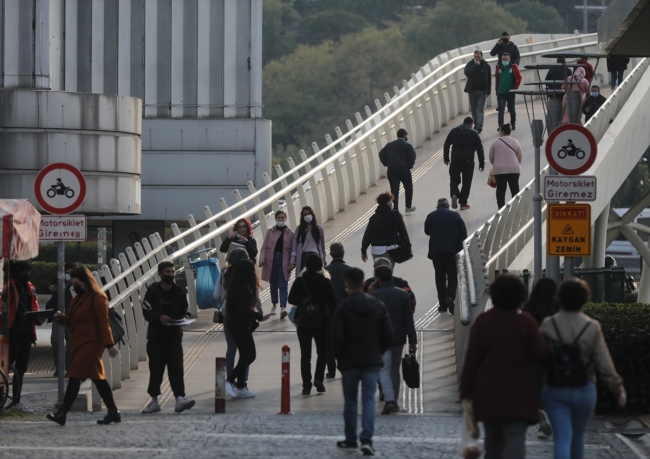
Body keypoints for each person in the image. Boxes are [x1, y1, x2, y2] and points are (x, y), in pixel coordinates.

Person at [460, 274, 549, 459]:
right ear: (520, 295)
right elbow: (540, 355)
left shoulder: (482, 321)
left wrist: (465, 390)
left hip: (488, 389)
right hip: (519, 388)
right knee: (515, 435)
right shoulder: (526, 322)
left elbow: (472, 359)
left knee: (492, 437)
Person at [540, 278, 626, 459]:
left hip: (555, 387)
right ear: (585, 299)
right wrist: (617, 388)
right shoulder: (592, 326)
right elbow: (603, 360)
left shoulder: (549, 324)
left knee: (562, 436)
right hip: (584, 388)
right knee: (578, 437)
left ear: (559, 298)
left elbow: (538, 357)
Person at [331, 268, 394, 456]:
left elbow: (336, 339)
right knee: (368, 400)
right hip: (371, 361)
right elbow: (388, 335)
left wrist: (340, 358)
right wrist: (378, 351)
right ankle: (367, 439)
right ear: (363, 283)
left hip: (349, 362)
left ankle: (351, 439)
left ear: (346, 285)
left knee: (350, 402)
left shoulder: (342, 309)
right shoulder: (377, 305)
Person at [46, 267, 120, 426]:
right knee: (98, 379)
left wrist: (109, 345)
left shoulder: (98, 298)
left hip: (92, 344)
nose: (74, 287)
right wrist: (62, 318)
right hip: (80, 343)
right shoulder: (77, 299)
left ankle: (62, 413)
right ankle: (113, 411)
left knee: (75, 376)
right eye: (73, 284)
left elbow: (103, 323)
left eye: (76, 284)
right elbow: (73, 323)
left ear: (85, 282)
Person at [141, 261, 195, 414]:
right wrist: (158, 317)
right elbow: (146, 312)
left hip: (174, 338)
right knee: (156, 370)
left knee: (176, 369)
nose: (170, 275)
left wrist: (185, 317)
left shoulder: (180, 292)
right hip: (156, 337)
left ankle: (179, 399)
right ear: (160, 274)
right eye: (167, 272)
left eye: (172, 272)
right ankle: (154, 400)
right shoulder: (153, 291)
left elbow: (186, 310)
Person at [369, 264, 416, 415]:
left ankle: (389, 400)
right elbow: (408, 320)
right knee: (395, 370)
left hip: (381, 339)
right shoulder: (403, 295)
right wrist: (413, 341)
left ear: (377, 278)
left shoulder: (373, 296)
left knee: (384, 369)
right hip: (399, 338)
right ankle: (394, 400)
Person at [288, 254, 338, 395]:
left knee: (305, 354)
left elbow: (291, 299)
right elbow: (333, 304)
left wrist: (303, 300)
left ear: (306, 265)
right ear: (320, 266)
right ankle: (318, 379)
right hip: (321, 322)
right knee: (322, 352)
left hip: (303, 321)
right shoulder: (325, 282)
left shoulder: (300, 281)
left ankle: (306, 385)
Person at [214, 248, 259, 397]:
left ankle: (232, 382)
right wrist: (257, 312)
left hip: (227, 316)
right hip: (242, 319)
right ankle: (239, 383)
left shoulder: (224, 273)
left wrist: (225, 305)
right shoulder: (247, 276)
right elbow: (255, 298)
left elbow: (217, 295)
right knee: (246, 352)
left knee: (232, 347)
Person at [0, 261, 44, 412]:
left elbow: (34, 307)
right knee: (6, 367)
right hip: (13, 332)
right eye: (24, 273)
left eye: (28, 273)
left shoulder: (29, 288)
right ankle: (5, 401)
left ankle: (16, 401)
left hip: (27, 333)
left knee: (21, 369)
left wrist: (39, 318)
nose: (27, 276)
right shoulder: (9, 287)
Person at [523, 277, 560, 440]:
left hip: (534, 353)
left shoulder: (529, 308)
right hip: (556, 353)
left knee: (537, 387)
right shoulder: (559, 309)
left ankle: (541, 413)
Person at [223, 259, 264, 399]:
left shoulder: (235, 285)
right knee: (250, 355)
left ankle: (240, 386)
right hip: (239, 325)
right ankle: (229, 381)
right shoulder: (243, 288)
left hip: (233, 324)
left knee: (243, 354)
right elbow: (242, 311)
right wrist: (257, 315)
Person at [424, 198, 468, 313]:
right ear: (448, 206)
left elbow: (427, 231)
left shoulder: (431, 216)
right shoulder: (455, 216)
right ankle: (450, 296)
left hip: (436, 252)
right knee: (452, 276)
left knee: (440, 278)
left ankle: (442, 305)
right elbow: (464, 234)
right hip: (452, 251)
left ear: (437, 207)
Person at [324, 242, 353, 378]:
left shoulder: (324, 271)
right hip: (346, 311)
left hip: (329, 312)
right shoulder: (350, 271)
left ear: (330, 254)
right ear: (343, 253)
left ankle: (331, 370)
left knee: (329, 341)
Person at [361, 191, 411, 270]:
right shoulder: (395, 216)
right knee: (387, 273)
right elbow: (403, 233)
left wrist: (363, 251)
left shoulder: (373, 218)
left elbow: (367, 235)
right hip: (389, 249)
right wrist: (407, 247)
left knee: (379, 272)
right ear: (388, 202)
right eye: (391, 201)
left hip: (375, 250)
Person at [443, 117, 485, 210]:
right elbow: (480, 149)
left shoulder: (454, 131)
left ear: (463, 122)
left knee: (454, 179)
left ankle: (454, 193)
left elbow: (446, 144)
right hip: (468, 160)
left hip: (455, 159)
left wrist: (446, 158)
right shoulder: (474, 133)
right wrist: (481, 163)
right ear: (471, 124)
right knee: (467, 182)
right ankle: (463, 203)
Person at [259, 210, 295, 317]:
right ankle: (274, 305)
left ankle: (283, 307)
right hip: (272, 260)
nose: (281, 220)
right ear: (275, 219)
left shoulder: (290, 233)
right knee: (273, 284)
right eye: (279, 218)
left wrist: (292, 263)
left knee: (283, 284)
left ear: (285, 219)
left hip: (284, 261)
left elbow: (293, 250)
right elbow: (264, 247)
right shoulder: (270, 232)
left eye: (282, 218)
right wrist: (262, 259)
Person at [46, 262, 76, 376]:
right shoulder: (58, 280)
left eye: (70, 272)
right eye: (66, 272)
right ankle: (59, 366)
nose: (67, 275)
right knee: (55, 340)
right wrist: (50, 288)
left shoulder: (78, 282)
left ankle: (68, 366)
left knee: (70, 342)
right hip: (58, 314)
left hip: (71, 316)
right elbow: (50, 287)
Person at [378, 128, 417, 214]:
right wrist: (409, 165)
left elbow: (381, 153)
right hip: (404, 169)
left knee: (394, 189)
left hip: (392, 170)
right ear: (404, 135)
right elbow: (412, 157)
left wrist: (386, 163)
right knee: (408, 187)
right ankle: (408, 207)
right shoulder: (407, 145)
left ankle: (395, 208)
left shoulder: (389, 145)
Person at [489, 124, 523, 209]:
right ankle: (516, 207)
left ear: (502, 131)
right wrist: (515, 164)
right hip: (514, 169)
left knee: (501, 190)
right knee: (515, 189)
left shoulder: (495, 142)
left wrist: (496, 164)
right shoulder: (515, 142)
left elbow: (491, 157)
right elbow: (520, 156)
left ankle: (501, 209)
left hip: (500, 170)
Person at [290, 206, 326, 275]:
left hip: (316, 256)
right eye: (305, 214)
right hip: (304, 256)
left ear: (312, 215)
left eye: (309, 214)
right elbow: (295, 246)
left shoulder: (319, 228)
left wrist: (324, 258)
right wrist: (292, 260)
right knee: (304, 277)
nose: (307, 216)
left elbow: (322, 245)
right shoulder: (299, 229)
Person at [464, 50, 492, 134]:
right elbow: (468, 73)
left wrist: (488, 91)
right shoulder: (470, 64)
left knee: (480, 109)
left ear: (481, 56)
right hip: (472, 91)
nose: (477, 59)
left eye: (478, 57)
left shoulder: (486, 66)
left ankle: (479, 125)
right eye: (475, 57)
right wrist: (475, 65)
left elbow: (489, 79)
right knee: (473, 110)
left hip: (482, 91)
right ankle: (476, 124)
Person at [495, 52, 522, 131]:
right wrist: (497, 90)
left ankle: (513, 124)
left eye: (506, 59)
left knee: (512, 109)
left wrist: (515, 87)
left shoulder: (513, 67)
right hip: (501, 92)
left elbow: (519, 77)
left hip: (510, 93)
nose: (505, 61)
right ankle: (501, 126)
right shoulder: (498, 68)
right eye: (503, 59)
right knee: (501, 110)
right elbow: (497, 78)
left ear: (509, 59)